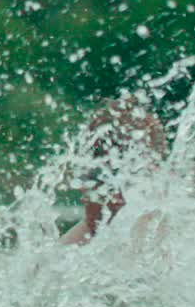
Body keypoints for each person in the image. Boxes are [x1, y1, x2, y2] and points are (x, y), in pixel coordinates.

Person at [61, 95, 168, 246]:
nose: (116, 199)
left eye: (130, 182)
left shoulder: (186, 239)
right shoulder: (70, 248)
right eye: (99, 179)